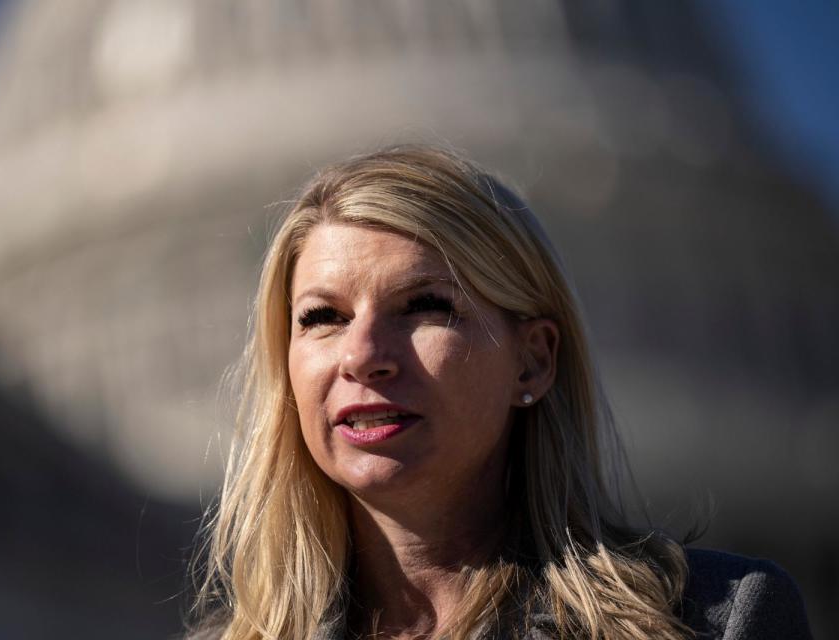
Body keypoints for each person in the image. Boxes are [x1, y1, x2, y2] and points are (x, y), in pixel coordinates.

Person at [188, 146, 811, 639]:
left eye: (424, 306)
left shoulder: (718, 622)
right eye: (323, 317)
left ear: (533, 362)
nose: (363, 357)